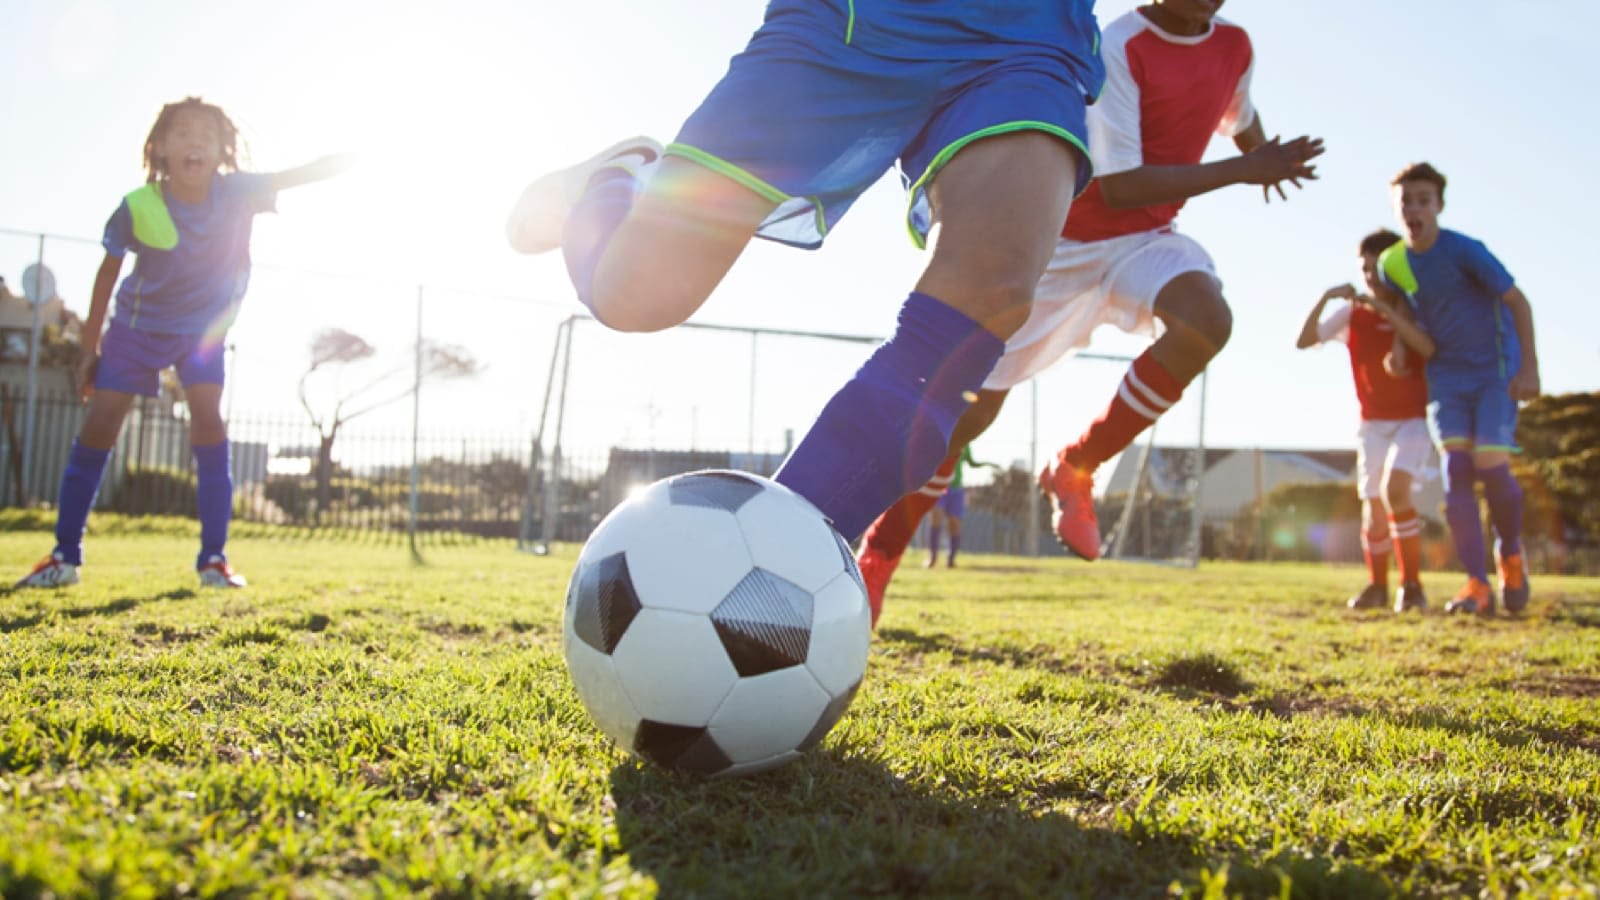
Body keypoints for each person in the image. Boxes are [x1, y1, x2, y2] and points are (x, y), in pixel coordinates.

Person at [505, 2, 1105, 557]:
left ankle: (770, 567)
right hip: (851, 19)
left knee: (987, 300)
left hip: (1028, 35)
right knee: (637, 296)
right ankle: (613, 181)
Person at [854, 0, 1324, 623]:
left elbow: (1241, 115)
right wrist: (1245, 168)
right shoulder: (1118, 45)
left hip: (1142, 243)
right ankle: (880, 555)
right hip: (1061, 240)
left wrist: (1269, 158)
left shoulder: (1235, 47)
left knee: (1207, 320)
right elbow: (1120, 187)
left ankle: (1077, 467)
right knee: (967, 419)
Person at [15, 97, 351, 589]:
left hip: (202, 331)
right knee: (101, 423)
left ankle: (213, 559)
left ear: (222, 151)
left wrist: (351, 160)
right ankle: (65, 555)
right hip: (137, 327)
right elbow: (107, 274)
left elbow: (297, 175)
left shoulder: (238, 192)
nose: (194, 141)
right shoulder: (138, 205)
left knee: (209, 423)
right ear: (160, 148)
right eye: (182, 133)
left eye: (206, 135)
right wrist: (91, 347)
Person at [1376, 162, 1540, 615]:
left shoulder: (1467, 252)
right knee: (1456, 471)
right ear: (1396, 207)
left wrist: (1530, 370)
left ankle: (1510, 554)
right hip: (1446, 376)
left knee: (1489, 460)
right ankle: (1476, 583)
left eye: (1423, 200)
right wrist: (1400, 349)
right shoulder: (1393, 262)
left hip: (1494, 370)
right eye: (1406, 201)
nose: (1413, 208)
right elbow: (1403, 306)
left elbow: (1517, 301)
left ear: (1439, 206)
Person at [1296, 228, 1435, 613]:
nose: (1371, 278)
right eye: (1365, 270)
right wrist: (1325, 298)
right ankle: (1377, 585)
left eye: (1378, 269)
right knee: (1373, 505)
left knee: (1397, 490)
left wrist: (1391, 314)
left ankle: (1412, 586)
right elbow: (1305, 341)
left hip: (1412, 420)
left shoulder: (1415, 308)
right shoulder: (1353, 314)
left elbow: (1427, 348)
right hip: (1372, 422)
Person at [923, 445, 997, 569]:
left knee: (954, 523)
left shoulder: (965, 444)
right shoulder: (941, 437)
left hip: (956, 489)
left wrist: (988, 464)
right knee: (936, 518)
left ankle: (951, 559)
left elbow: (972, 463)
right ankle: (933, 557)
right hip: (939, 486)